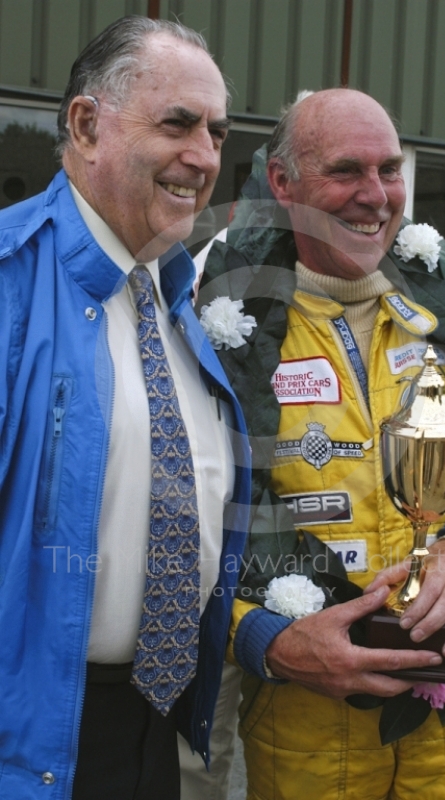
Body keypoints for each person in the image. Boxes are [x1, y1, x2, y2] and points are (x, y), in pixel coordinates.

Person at [199, 89, 445, 799]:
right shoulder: (221, 321)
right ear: (282, 185)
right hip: (307, 718)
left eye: (388, 169)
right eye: (346, 171)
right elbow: (178, 525)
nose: (374, 196)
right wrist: (263, 638)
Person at [0, 16, 254, 800]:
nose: (204, 156)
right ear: (85, 125)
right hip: (31, 736)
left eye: (215, 131)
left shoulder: (169, 296)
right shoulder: (10, 283)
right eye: (176, 124)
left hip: (154, 730)